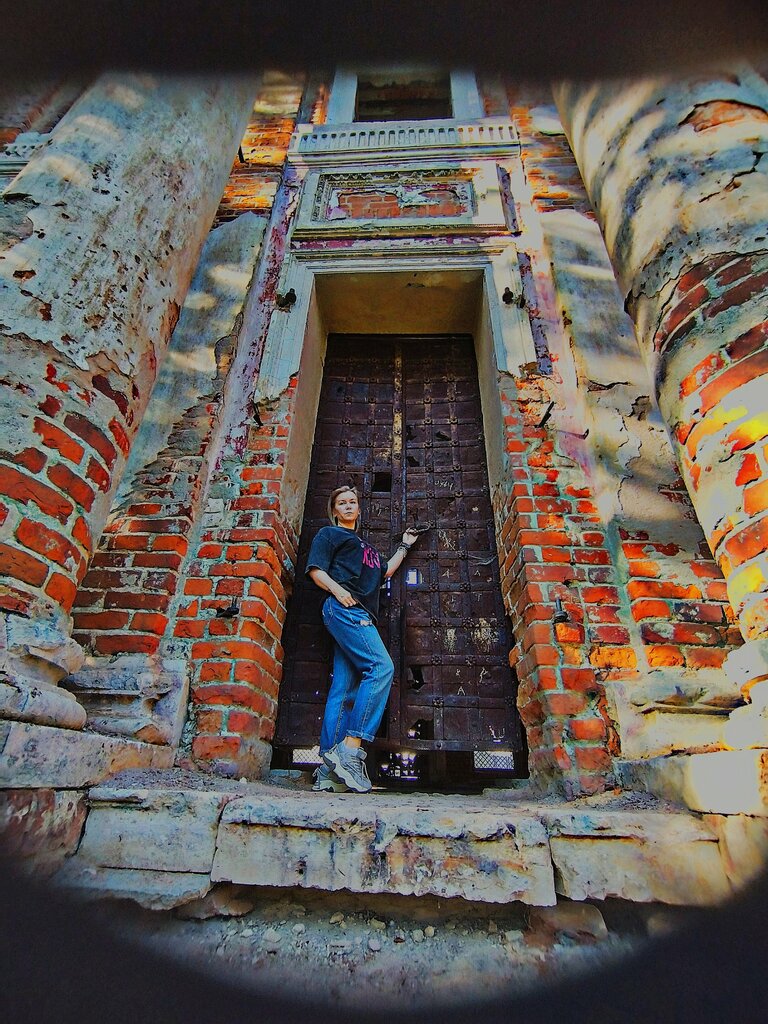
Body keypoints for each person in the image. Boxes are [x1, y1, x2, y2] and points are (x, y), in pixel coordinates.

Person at [306, 484, 421, 793]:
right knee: (381, 668)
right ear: (334, 511)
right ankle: (351, 747)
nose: (347, 506)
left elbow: (384, 572)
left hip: (357, 614)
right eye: (341, 502)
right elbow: (316, 571)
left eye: (352, 502)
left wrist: (404, 546)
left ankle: (329, 770)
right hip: (345, 609)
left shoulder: (365, 547)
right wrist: (338, 590)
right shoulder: (329, 535)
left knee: (343, 689)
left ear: (358, 509)